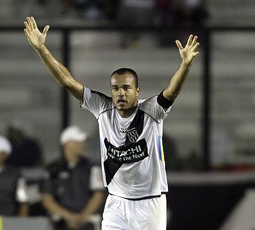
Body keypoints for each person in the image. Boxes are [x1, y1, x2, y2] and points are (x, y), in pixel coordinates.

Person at [24, 16, 199, 229]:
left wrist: (186, 64)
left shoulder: (151, 110)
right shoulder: (102, 108)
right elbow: (67, 82)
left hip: (149, 204)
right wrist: (41, 49)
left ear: (137, 91)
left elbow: (172, 91)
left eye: (126, 88)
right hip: (116, 202)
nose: (120, 93)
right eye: (115, 88)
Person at [42, 126, 105, 230]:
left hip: (88, 223)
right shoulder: (53, 169)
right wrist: (69, 217)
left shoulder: (93, 167)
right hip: (60, 224)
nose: (82, 145)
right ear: (67, 144)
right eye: (78, 142)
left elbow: (98, 195)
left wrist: (82, 217)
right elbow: (47, 199)